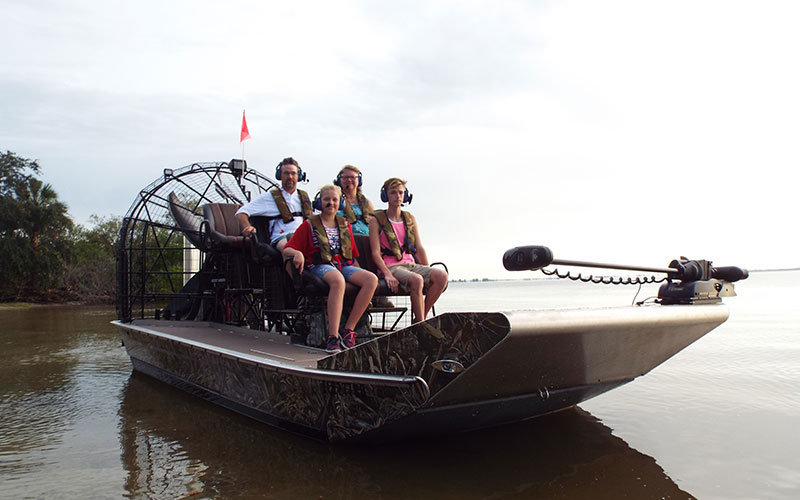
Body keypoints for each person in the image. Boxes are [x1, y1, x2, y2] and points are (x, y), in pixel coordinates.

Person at [283, 185, 378, 353]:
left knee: (371, 279)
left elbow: (352, 257)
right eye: (327, 199)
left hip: (343, 265)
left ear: (340, 202)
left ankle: (348, 330)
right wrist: (297, 253)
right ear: (320, 201)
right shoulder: (309, 224)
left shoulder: (344, 225)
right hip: (319, 266)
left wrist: (359, 273)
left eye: (334, 200)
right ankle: (332, 338)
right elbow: (287, 248)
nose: (330, 203)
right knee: (338, 280)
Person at [369, 178, 448, 324]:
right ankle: (421, 323)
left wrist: (427, 268)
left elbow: (419, 247)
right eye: (393, 193)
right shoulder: (376, 220)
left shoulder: (410, 218)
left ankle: (419, 320)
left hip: (410, 264)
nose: (397, 196)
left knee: (441, 276)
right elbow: (375, 252)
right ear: (385, 195)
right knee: (416, 280)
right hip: (391, 267)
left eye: (401, 192)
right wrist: (386, 273)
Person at [236, 157, 312, 251]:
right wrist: (248, 227)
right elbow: (241, 212)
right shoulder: (270, 197)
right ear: (280, 175)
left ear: (299, 176)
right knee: (291, 250)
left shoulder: (304, 198)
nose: (290, 177)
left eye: (293, 173)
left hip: (305, 237)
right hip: (283, 237)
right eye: (286, 173)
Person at [334, 165, 374, 235]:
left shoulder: (367, 204)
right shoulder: (335, 201)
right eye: (345, 177)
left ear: (359, 180)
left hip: (366, 242)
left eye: (353, 177)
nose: (349, 180)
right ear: (339, 180)